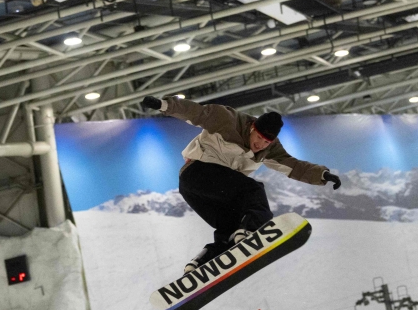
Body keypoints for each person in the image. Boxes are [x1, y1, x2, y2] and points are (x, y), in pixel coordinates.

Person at [141, 95, 341, 272]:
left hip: (207, 191)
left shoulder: (269, 149)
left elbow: (294, 166)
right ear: (252, 127)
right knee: (253, 190)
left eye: (267, 143)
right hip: (198, 173)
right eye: (260, 138)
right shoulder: (226, 119)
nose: (261, 145)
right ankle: (254, 229)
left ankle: (204, 262)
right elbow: (195, 112)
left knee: (231, 224)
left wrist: (322, 175)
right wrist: (164, 105)